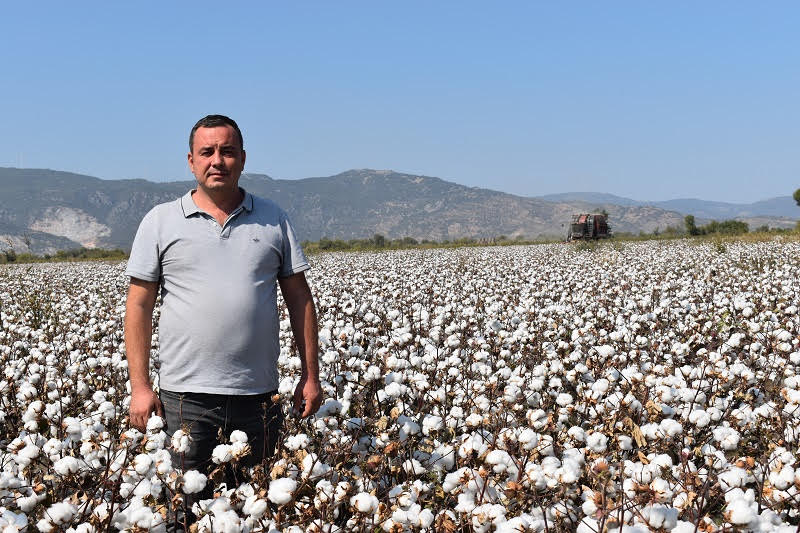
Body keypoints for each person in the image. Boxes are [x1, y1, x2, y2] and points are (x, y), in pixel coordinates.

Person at [124, 114, 322, 494]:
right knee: (185, 505)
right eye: (208, 152)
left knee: (259, 500)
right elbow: (138, 306)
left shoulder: (273, 219)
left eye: (227, 151)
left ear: (243, 159)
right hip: (185, 399)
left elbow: (300, 298)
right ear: (191, 161)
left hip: (258, 395)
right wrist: (139, 386)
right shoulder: (160, 221)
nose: (218, 160)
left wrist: (310, 376)